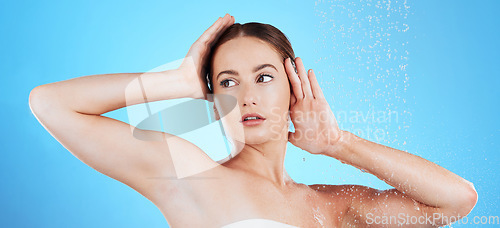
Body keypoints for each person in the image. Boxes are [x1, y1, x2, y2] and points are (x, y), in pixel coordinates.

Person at [29, 13, 477, 227]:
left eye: (263, 77)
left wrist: (338, 144)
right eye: (227, 82)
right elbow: (50, 104)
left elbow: (455, 202)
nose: (245, 97)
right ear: (210, 96)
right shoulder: (190, 176)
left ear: (293, 85)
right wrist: (177, 81)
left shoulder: (332, 206)